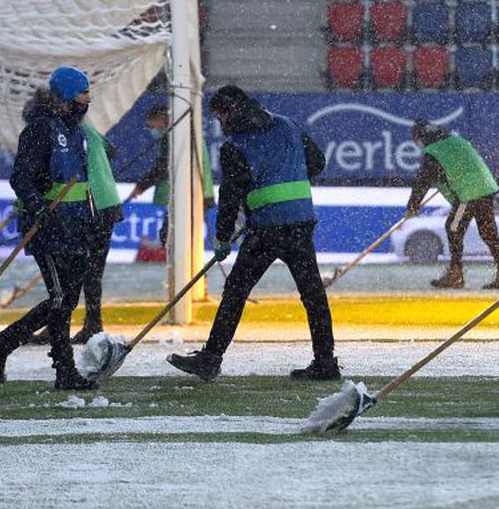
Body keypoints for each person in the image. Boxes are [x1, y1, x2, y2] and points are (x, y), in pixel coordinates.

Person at [166, 84, 339, 381]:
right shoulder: (287, 125)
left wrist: (222, 237)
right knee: (313, 295)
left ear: (230, 112)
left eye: (220, 118)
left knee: (235, 292)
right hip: (300, 221)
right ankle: (326, 362)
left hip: (266, 230)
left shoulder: (236, 146)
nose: (221, 126)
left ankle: (211, 358)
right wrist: (287, 172)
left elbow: (230, 197)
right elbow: (317, 163)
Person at [0, 66, 99, 390]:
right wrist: (37, 206)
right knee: (60, 298)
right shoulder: (40, 130)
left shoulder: (76, 130)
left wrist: (90, 219)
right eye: (83, 92)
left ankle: (54, 367)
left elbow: (79, 182)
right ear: (66, 94)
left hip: (75, 225)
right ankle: (12, 347)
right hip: (48, 228)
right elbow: (21, 177)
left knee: (66, 301)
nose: (89, 98)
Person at [31, 113, 123, 345]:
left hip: (90, 206)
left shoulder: (66, 134)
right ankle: (92, 322)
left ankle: (59, 325)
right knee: (93, 270)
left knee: (71, 271)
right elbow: (112, 151)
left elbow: (64, 168)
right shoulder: (88, 130)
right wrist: (100, 169)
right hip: (109, 203)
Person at [407, 120, 499, 289]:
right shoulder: (457, 141)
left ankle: (455, 274)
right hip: (486, 188)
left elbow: (423, 181)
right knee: (488, 233)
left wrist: (413, 205)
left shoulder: (432, 152)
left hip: (470, 193)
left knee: (453, 227)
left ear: (421, 138)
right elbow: (458, 168)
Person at [125, 104, 215, 247]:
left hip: (187, 193)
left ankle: (181, 264)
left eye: (151, 126)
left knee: (171, 236)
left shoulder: (175, 135)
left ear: (161, 119)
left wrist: (141, 187)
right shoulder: (186, 132)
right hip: (199, 191)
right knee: (180, 236)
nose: (151, 130)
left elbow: (163, 166)